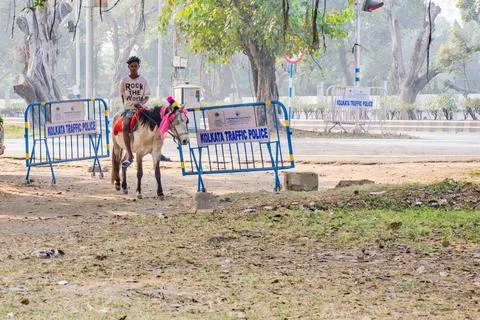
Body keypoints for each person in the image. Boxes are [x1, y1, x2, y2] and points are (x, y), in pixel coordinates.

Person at [119, 56, 150, 168]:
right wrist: (126, 107)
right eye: (131, 66)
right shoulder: (124, 80)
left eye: (135, 66)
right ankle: (130, 154)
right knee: (126, 125)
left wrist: (141, 103)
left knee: (153, 121)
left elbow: (146, 96)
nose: (133, 68)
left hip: (141, 107)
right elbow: (123, 96)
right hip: (129, 108)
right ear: (128, 67)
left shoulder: (143, 81)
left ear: (138, 67)